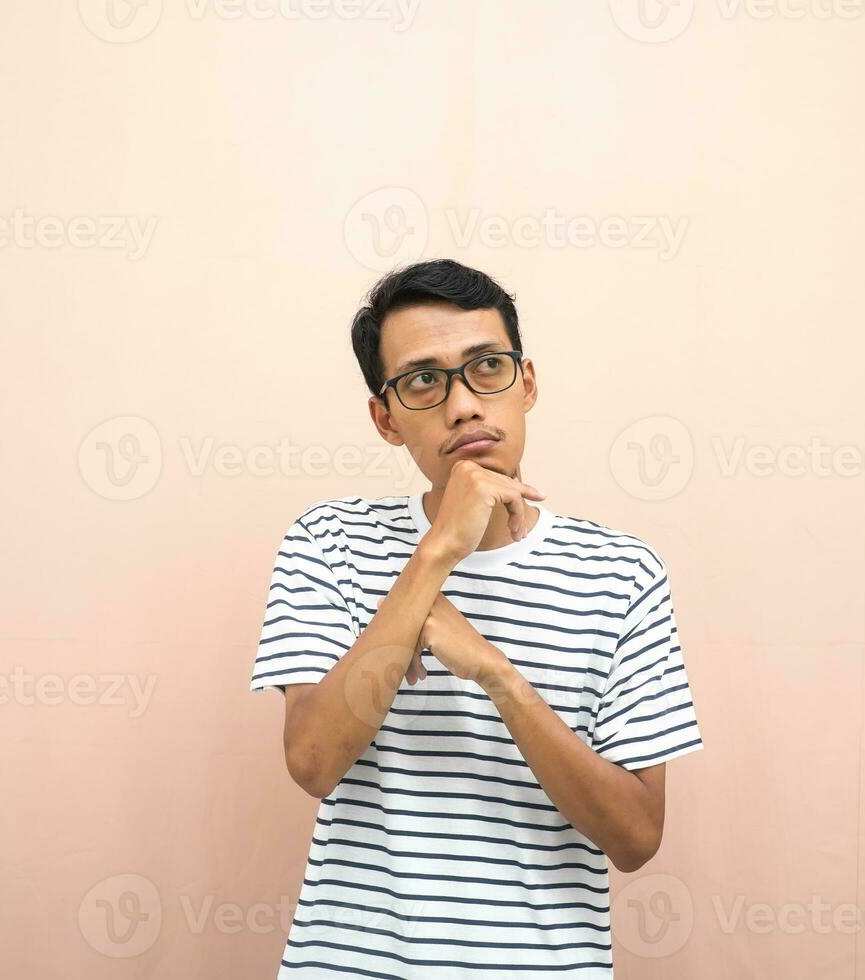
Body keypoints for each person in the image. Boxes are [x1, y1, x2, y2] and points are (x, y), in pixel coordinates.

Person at [249, 258, 704, 977]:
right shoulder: (327, 543)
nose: (463, 405)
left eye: (486, 367)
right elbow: (312, 760)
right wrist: (437, 553)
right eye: (423, 381)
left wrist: (496, 674)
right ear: (385, 418)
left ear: (526, 383)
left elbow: (636, 837)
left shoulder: (622, 573)